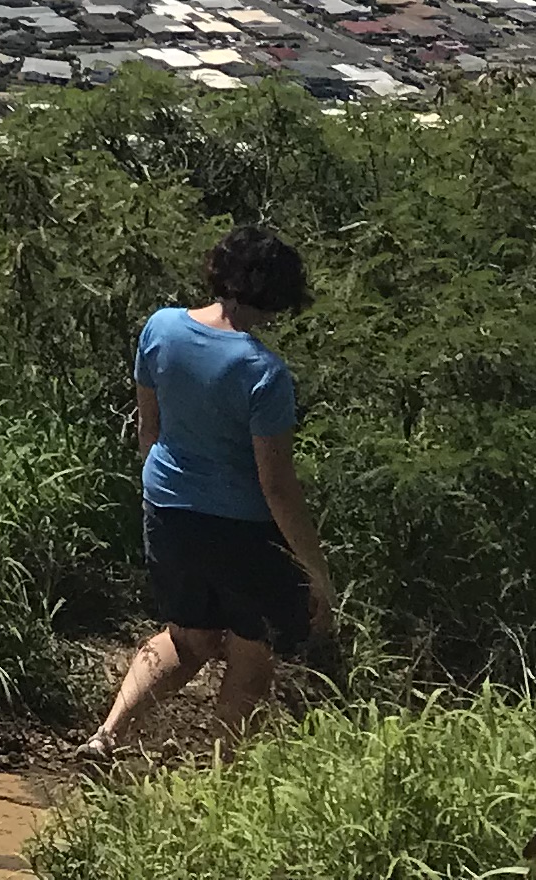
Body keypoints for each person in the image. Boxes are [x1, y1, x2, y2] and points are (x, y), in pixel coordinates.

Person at [82, 224, 335, 758]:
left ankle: (107, 735)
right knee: (251, 650)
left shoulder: (161, 327)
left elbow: (148, 430)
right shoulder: (265, 373)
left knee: (188, 636)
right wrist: (316, 570)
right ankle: (220, 773)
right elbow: (276, 485)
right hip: (243, 531)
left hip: (168, 508)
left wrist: (166, 492)